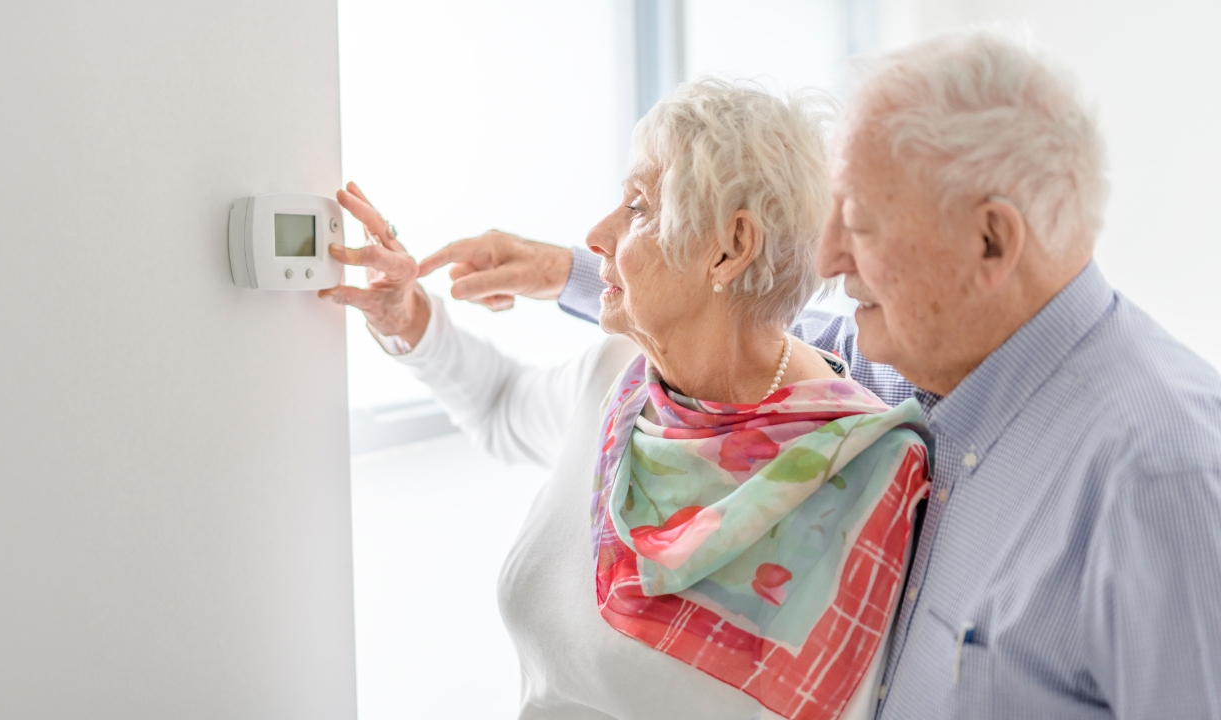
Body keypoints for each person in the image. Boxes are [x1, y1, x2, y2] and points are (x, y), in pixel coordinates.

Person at [416, 31, 1221, 719]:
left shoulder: (1163, 475)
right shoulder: (901, 373)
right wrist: (577, 271)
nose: (829, 260)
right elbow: (742, 330)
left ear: (990, 243)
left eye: (860, 226)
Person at [321, 80, 931, 719]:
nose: (594, 235)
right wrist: (406, 318)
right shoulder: (616, 377)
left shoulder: (867, 471)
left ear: (730, 248)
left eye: (637, 207)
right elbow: (502, 404)